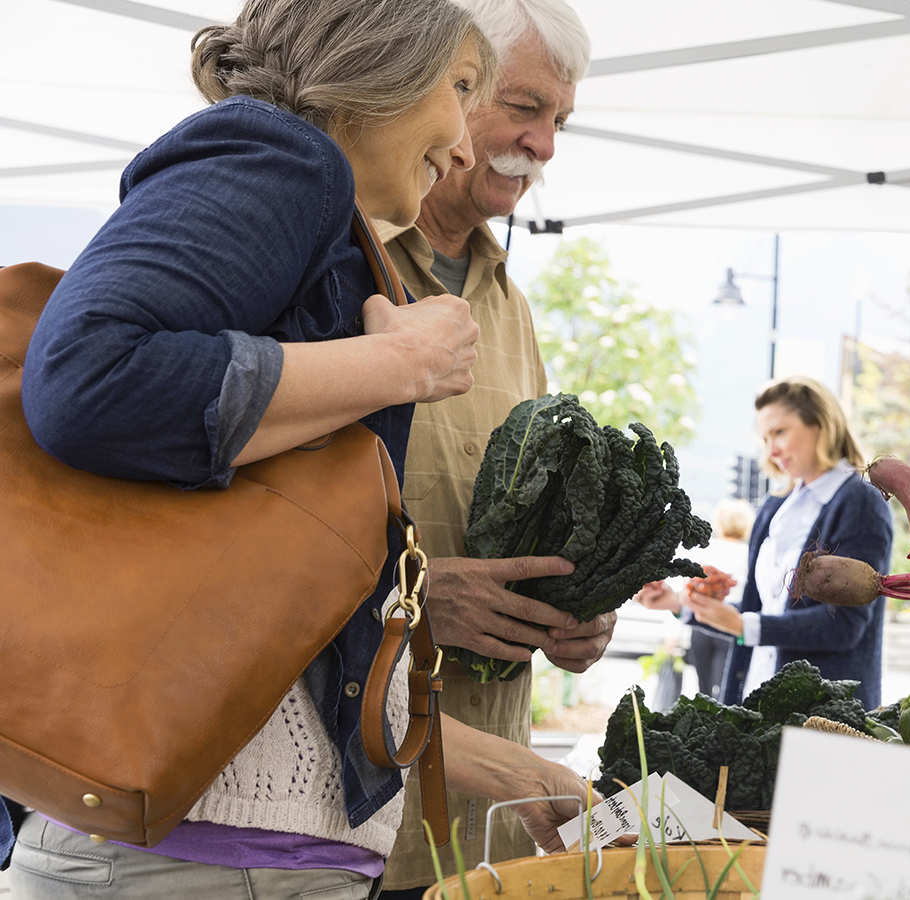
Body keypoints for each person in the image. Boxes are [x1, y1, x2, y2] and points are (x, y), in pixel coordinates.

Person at [9, 2, 585, 897]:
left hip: (225, 860)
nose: (465, 145)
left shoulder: (323, 214)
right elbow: (88, 378)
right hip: (186, 864)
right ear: (382, 72)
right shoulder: (283, 156)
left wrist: (516, 771)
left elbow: (294, 624)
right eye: (461, 89)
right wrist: (391, 361)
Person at [369, 2, 606, 894]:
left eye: (559, 122)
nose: (543, 145)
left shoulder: (508, 301)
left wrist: (575, 606)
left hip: (491, 825)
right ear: (447, 89)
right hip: (352, 821)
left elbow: (527, 515)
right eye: (523, 107)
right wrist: (418, 599)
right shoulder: (343, 263)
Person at [692, 377, 894, 710]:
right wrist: (683, 604)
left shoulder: (860, 502)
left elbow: (844, 625)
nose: (771, 450)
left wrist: (745, 625)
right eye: (765, 438)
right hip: (754, 703)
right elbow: (759, 611)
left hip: (822, 718)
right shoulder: (775, 506)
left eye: (780, 432)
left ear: (820, 424)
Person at [635, 499, 757, 701]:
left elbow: (686, 594)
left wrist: (673, 634)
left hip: (698, 627)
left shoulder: (705, 550)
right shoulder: (748, 555)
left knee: (704, 689)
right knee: (725, 688)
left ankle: (706, 724)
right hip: (729, 626)